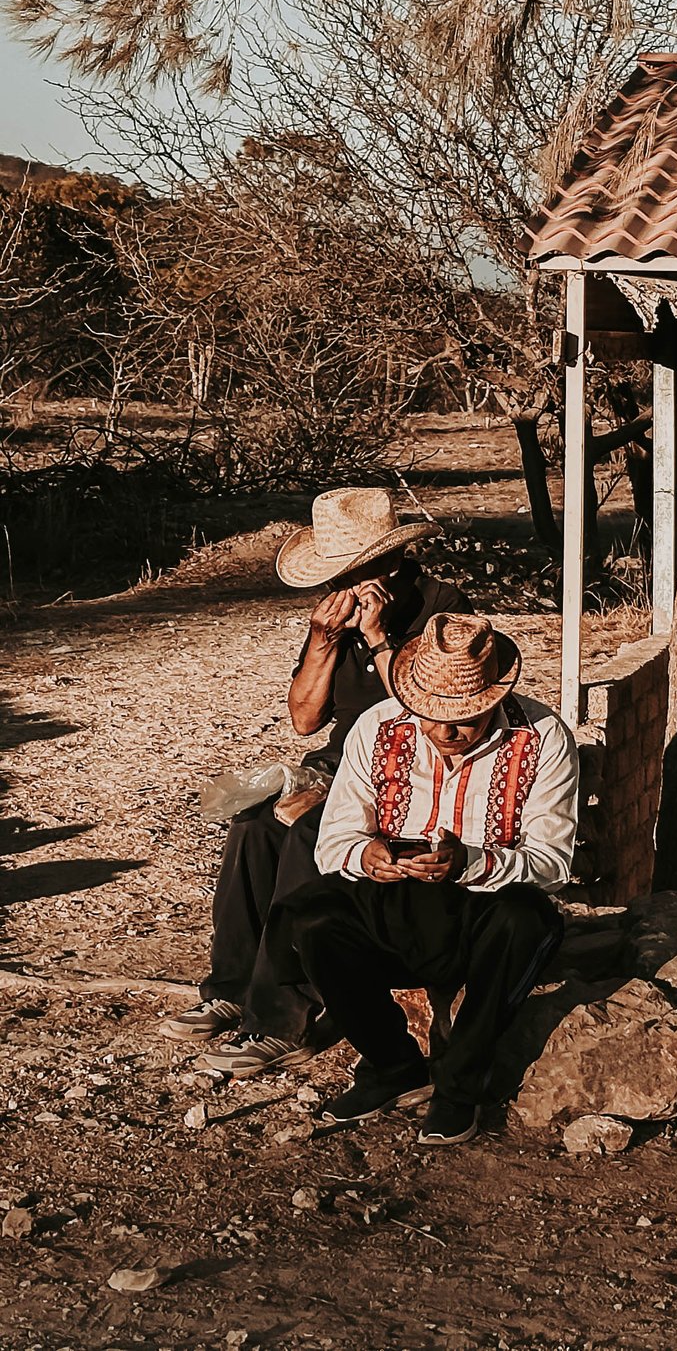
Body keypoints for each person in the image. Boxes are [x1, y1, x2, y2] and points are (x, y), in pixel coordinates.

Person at [163, 487, 462, 1077]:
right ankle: (232, 985)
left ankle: (283, 1016)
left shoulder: (440, 608)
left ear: (385, 564)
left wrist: (380, 640)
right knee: (253, 827)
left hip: (411, 767)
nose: (340, 585)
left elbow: (429, 711)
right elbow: (305, 718)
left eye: (349, 572)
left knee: (310, 837)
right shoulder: (334, 616)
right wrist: (324, 641)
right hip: (341, 760)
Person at [264, 613, 578, 1146]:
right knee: (311, 919)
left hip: (484, 910)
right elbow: (333, 841)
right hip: (394, 903)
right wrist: (368, 855)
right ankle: (391, 1066)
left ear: (494, 700)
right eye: (430, 717)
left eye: (463, 719)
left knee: (527, 921)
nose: (444, 732)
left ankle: (459, 1088)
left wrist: (470, 862)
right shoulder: (377, 726)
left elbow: (552, 863)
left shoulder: (542, 736)